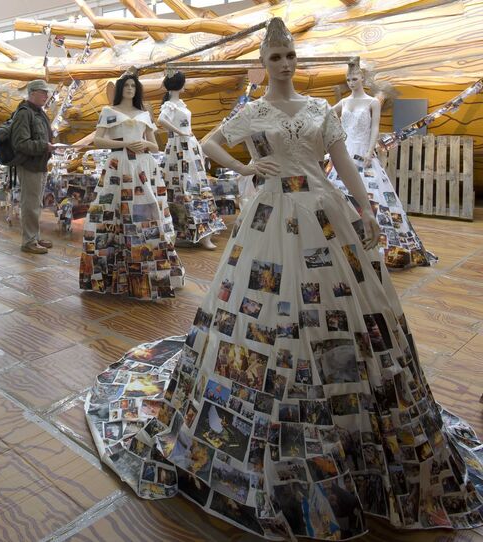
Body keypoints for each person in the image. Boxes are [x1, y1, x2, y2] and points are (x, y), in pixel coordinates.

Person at [83, 18, 483, 540]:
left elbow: (343, 164)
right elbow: (208, 144)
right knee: (268, 303)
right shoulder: (256, 110)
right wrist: (249, 170)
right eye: (275, 58)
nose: (285, 64)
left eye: (290, 56)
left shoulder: (320, 109)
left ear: (296, 60)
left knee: (345, 308)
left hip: (323, 214)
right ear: (265, 64)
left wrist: (366, 212)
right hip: (271, 216)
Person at [78, 71, 184, 299]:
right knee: (112, 214)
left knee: (148, 215)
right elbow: (98, 139)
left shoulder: (144, 114)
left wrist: (143, 142)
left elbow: (155, 147)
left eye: (133, 86)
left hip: (144, 167)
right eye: (126, 86)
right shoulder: (109, 111)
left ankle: (154, 273)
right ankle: (111, 275)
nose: (129, 89)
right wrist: (126, 143)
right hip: (119, 165)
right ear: (119, 88)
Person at [327, 64, 437, 269]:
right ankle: (340, 246)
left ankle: (376, 245)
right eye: (349, 79)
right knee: (337, 194)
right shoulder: (343, 102)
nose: (351, 82)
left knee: (372, 196)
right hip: (344, 152)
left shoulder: (372, 103)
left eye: (355, 79)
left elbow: (375, 127)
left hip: (363, 152)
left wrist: (370, 151)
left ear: (363, 79)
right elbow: (325, 116)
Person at [157, 70, 226, 250]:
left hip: (188, 146)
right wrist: (180, 132)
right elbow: (161, 120)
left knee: (195, 184)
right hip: (178, 147)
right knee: (180, 185)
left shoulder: (179, 103)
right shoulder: (170, 105)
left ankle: (202, 232)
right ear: (180, 84)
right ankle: (181, 231)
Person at [11, 79, 55, 255]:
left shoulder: (38, 112)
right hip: (30, 165)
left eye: (47, 92)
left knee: (35, 203)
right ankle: (28, 241)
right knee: (30, 204)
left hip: (39, 164)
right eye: (43, 92)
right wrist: (44, 146)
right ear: (33, 93)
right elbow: (20, 143)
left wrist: (49, 146)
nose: (46, 95)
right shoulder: (24, 113)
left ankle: (34, 237)